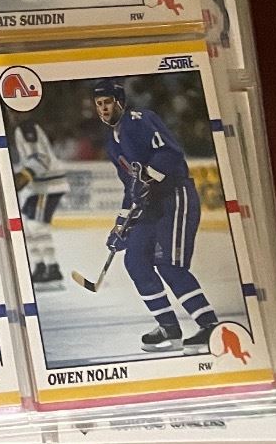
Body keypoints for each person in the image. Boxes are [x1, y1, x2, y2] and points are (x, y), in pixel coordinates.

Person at [92, 78, 222, 352]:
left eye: (107, 102)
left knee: (169, 265)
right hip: (150, 206)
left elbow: (170, 153)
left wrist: (148, 178)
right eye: (99, 104)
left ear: (120, 102)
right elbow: (131, 187)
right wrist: (121, 226)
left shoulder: (139, 119)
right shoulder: (112, 144)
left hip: (175, 197)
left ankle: (209, 326)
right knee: (136, 261)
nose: (103, 108)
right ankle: (169, 328)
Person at [11, 119, 70, 286]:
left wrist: (26, 175)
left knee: (36, 226)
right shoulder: (20, 127)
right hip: (39, 186)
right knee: (28, 227)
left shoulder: (26, 127)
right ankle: (40, 265)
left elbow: (41, 157)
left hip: (48, 184)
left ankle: (52, 267)